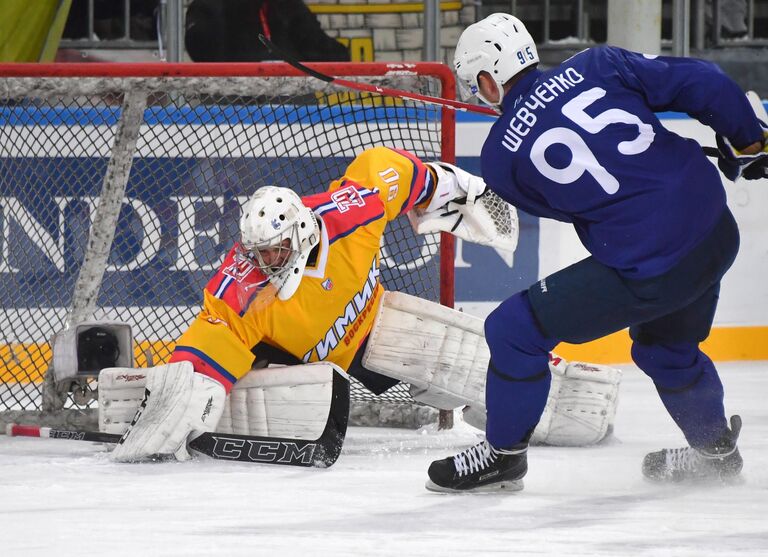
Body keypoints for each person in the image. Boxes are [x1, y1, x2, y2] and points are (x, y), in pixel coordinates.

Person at [103, 145, 621, 462]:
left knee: (472, 370)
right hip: (311, 368)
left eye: (277, 250)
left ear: (303, 235)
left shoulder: (353, 212)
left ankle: (564, 406)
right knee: (239, 398)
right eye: (258, 251)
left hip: (379, 324)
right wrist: (176, 388)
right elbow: (203, 352)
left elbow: (404, 175)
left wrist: (461, 189)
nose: (266, 261)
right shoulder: (240, 293)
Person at [427, 12, 768, 493]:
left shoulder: (500, 159)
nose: (475, 94)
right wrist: (747, 139)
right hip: (714, 232)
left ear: (488, 79)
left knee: (512, 331)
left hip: (653, 264)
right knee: (666, 349)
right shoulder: (598, 63)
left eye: (475, 85)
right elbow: (703, 80)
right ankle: (716, 454)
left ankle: (503, 457)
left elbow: (569, 207)